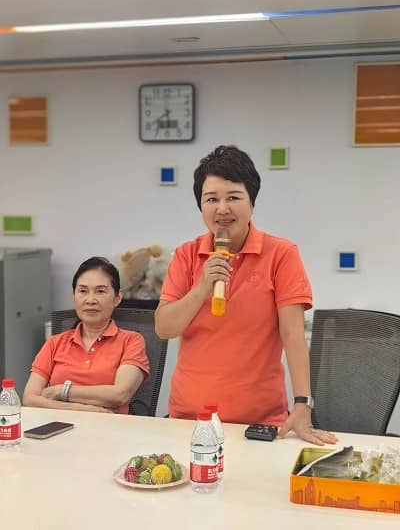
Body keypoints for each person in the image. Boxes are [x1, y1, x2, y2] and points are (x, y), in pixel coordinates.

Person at [155, 145, 337, 446]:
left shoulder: (281, 254)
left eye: (233, 197)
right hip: (190, 419)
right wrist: (202, 286)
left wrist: (303, 404)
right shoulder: (186, 255)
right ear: (201, 206)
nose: (222, 208)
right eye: (211, 199)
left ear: (251, 202)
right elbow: (164, 327)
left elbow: (293, 335)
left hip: (260, 422)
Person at [23, 257, 150, 413]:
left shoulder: (131, 341)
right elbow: (29, 398)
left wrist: (61, 391)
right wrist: (85, 409)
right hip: (59, 424)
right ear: (74, 296)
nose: (90, 300)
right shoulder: (55, 343)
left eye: (100, 291)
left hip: (109, 426)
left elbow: (120, 395)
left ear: (117, 297)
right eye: (83, 291)